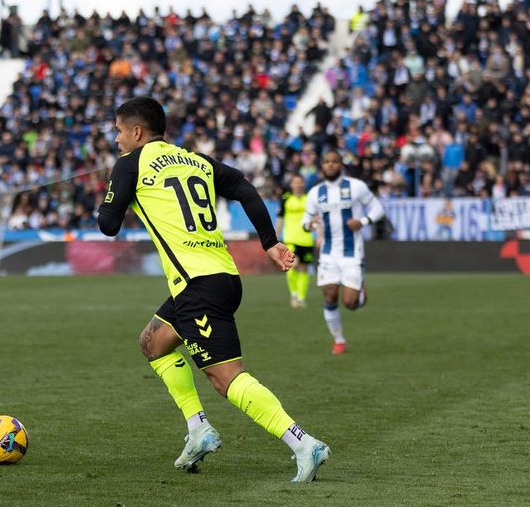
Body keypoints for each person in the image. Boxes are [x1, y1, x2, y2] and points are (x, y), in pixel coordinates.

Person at [95, 97, 331, 483]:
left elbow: (108, 225)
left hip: (196, 286)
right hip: (219, 275)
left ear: (136, 132)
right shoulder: (194, 160)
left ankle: (303, 442)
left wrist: (113, 188)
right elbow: (244, 187)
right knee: (153, 342)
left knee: (226, 378)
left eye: (119, 131)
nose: (117, 138)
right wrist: (269, 242)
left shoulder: (129, 165)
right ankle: (198, 429)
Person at [302, 151, 385, 355]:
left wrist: (363, 222)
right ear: (322, 166)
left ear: (341, 165)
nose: (330, 165)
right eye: (327, 162)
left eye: (334, 162)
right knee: (329, 295)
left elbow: (378, 209)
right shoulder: (315, 192)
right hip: (328, 253)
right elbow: (306, 219)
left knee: (350, 303)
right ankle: (339, 340)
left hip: (352, 252)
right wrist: (308, 225)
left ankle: (360, 294)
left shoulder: (356, 186)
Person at [280, 176, 315, 308]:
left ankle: (301, 298)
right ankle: (294, 294)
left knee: (304, 269)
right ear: (292, 184)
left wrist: (320, 234)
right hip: (291, 238)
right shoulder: (286, 199)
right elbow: (280, 217)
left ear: (304, 184)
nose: (298, 185)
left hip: (306, 239)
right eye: (296, 182)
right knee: (293, 264)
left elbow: (316, 218)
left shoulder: (309, 199)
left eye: (300, 182)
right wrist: (275, 236)